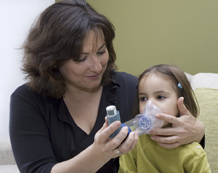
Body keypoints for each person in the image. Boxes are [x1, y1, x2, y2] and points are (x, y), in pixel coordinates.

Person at [9, 0, 204, 172]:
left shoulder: (132, 88)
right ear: (53, 60)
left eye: (101, 51)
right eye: (80, 58)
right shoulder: (28, 101)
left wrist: (197, 132)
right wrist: (98, 154)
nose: (96, 66)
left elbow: (171, 142)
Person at [119, 64, 211, 173]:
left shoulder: (193, 154)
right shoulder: (133, 144)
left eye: (160, 97)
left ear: (180, 102)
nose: (149, 105)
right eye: (143, 98)